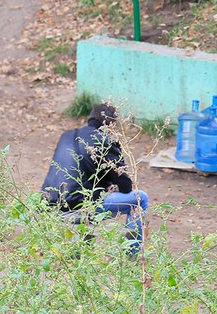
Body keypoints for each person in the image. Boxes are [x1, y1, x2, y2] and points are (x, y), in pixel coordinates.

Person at [40, 102, 149, 256]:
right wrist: (111, 185)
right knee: (140, 199)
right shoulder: (105, 141)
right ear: (111, 124)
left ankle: (78, 253)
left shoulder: (65, 136)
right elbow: (126, 186)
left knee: (90, 196)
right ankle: (131, 256)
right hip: (80, 205)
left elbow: (76, 171)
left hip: (50, 203)